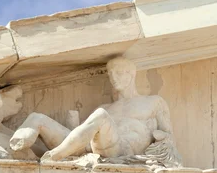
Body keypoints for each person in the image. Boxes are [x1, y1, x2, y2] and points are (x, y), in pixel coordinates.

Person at [9, 56, 174, 161]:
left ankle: (57, 155)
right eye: (110, 73)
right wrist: (72, 125)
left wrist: (157, 139)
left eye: (119, 73)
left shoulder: (153, 102)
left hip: (122, 149)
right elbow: (84, 134)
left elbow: (168, 138)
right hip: (90, 148)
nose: (113, 78)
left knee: (101, 116)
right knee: (37, 118)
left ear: (131, 74)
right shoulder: (106, 107)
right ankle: (17, 149)